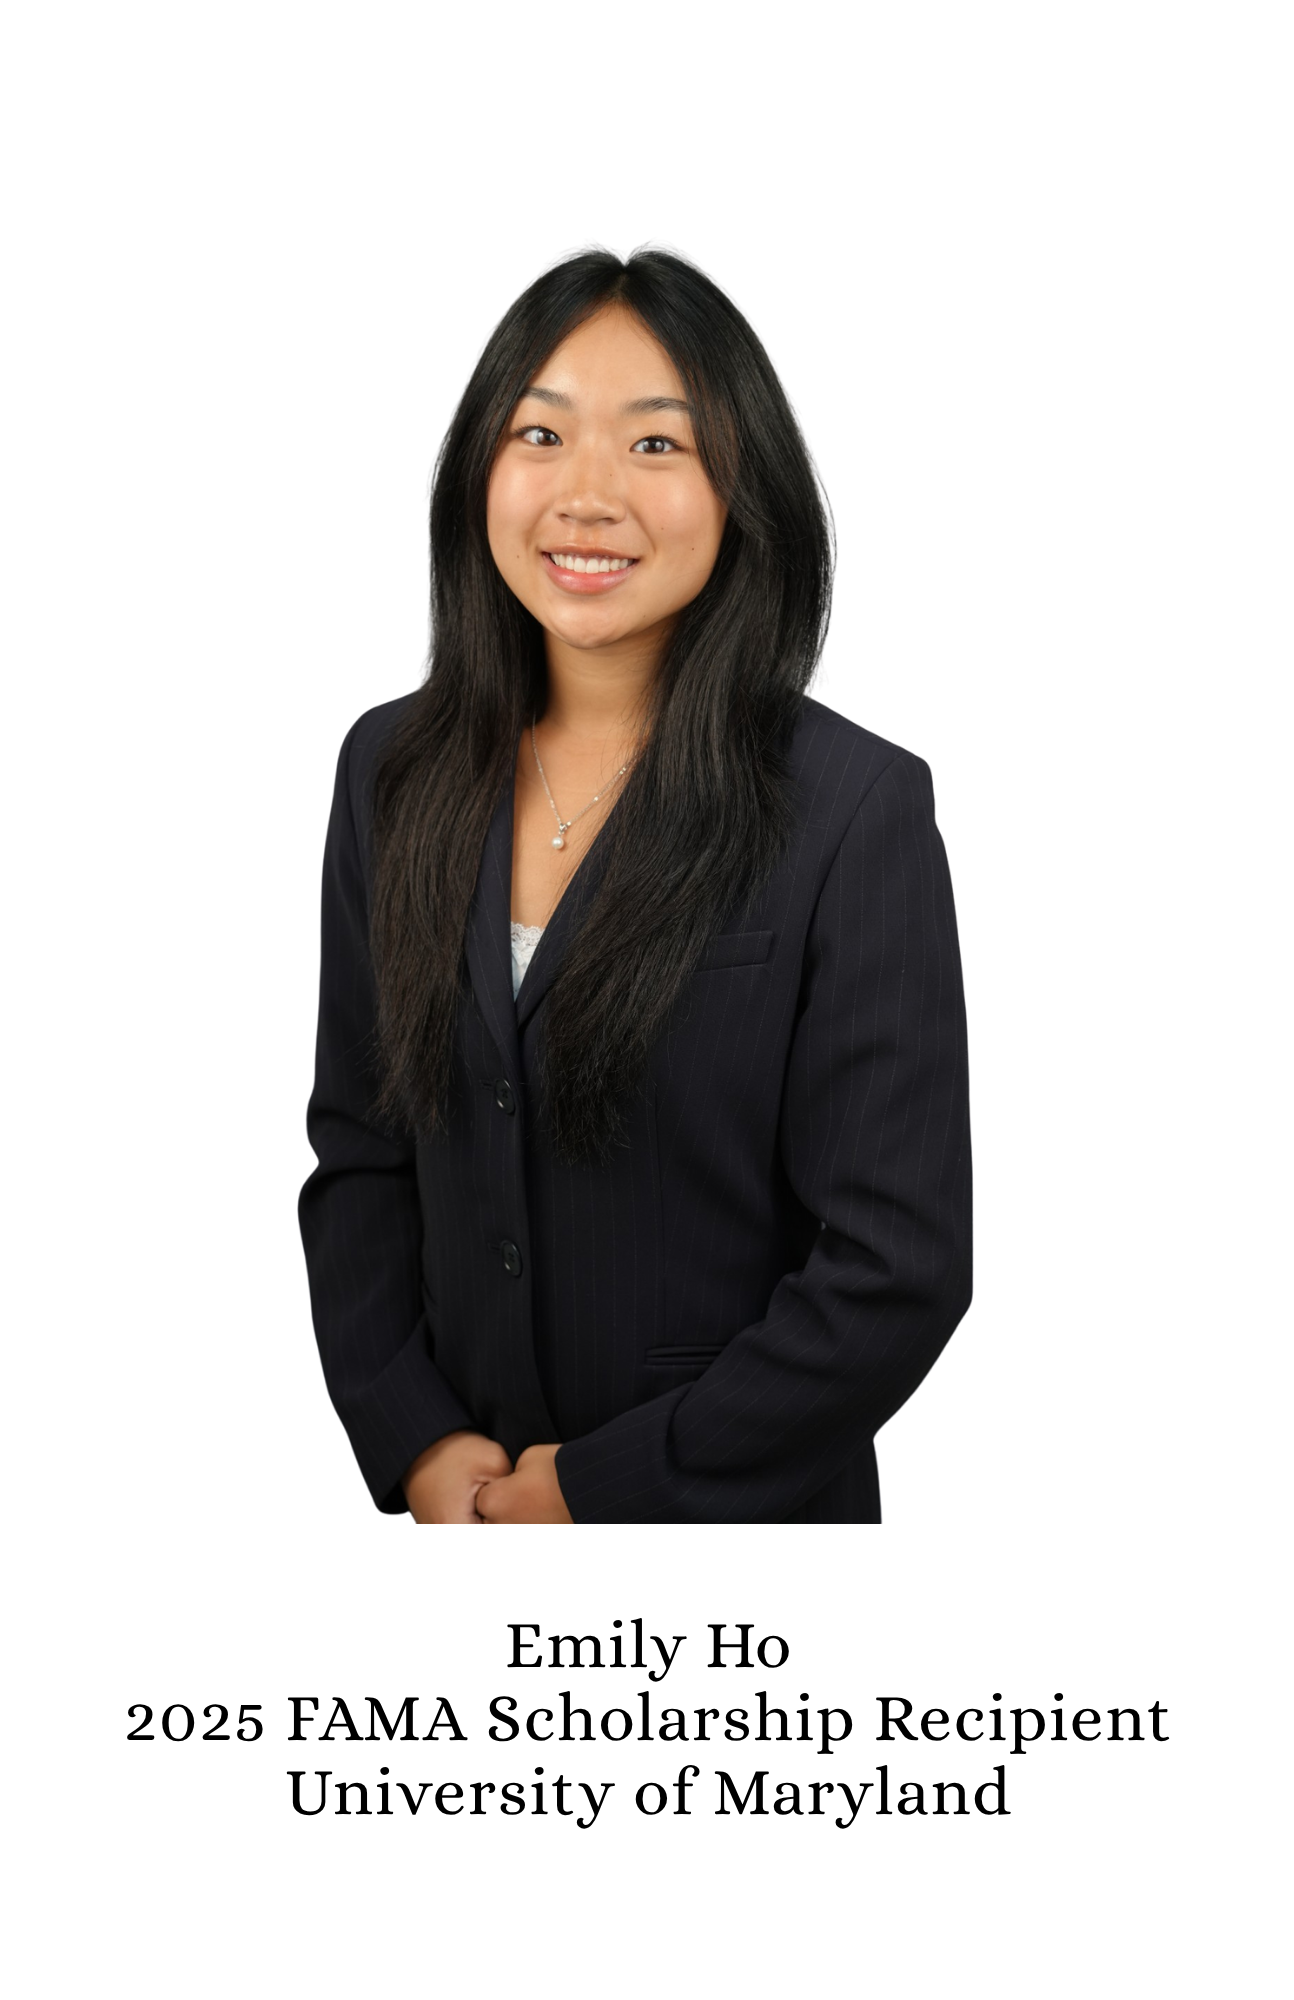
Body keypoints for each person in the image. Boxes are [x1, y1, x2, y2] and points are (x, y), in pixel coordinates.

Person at [299, 247, 972, 1524]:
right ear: (479, 469)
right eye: (540, 433)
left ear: (741, 488)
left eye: (656, 444)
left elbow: (896, 1267)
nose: (586, 494)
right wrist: (414, 1436)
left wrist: (601, 1489)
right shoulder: (390, 769)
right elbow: (362, 1153)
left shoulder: (852, 808)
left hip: (743, 1553)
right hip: (462, 1533)